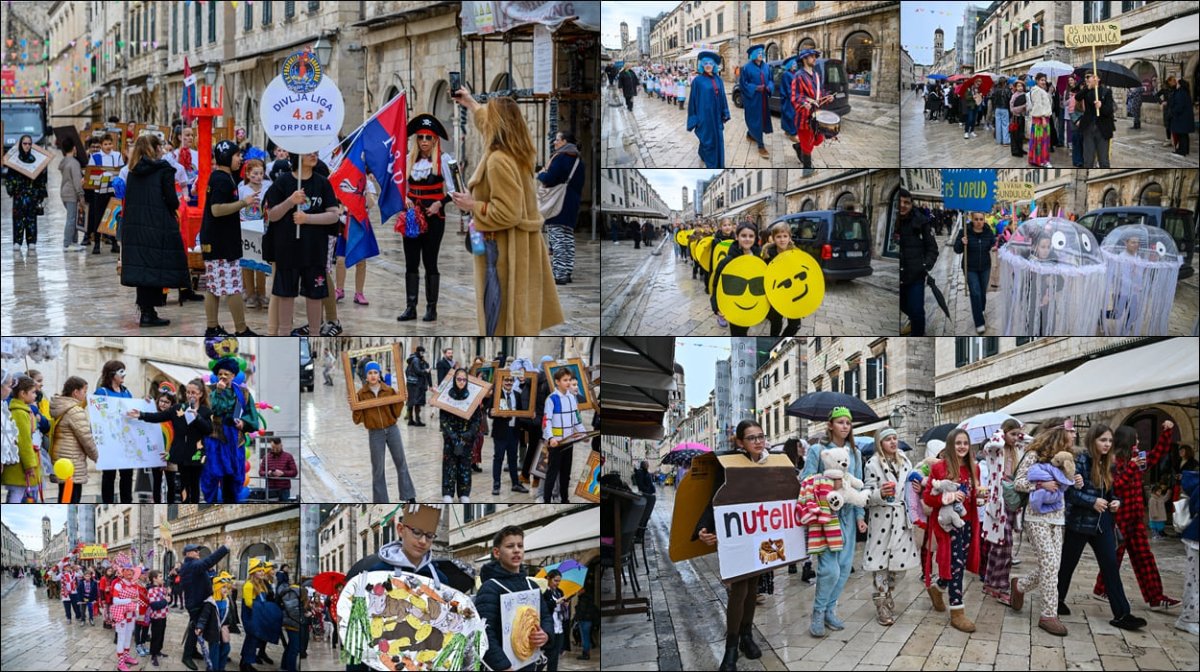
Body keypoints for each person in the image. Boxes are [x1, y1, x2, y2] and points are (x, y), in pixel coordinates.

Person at [449, 91, 564, 335]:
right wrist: (470, 103)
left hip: (502, 250)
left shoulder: (498, 160)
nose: (485, 123)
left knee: (499, 315)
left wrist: (472, 205)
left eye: (488, 118)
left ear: (495, 125)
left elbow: (508, 213)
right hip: (523, 246)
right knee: (518, 312)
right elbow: (487, 122)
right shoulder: (518, 151)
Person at [1055, 423, 1149, 631]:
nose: (1107, 444)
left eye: (1109, 441)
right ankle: (1056, 601)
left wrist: (1116, 502)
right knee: (1067, 565)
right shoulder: (1080, 461)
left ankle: (1122, 614)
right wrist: (1092, 502)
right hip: (1079, 524)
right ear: (1093, 440)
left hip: (1103, 524)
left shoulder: (1110, 464)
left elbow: (1112, 492)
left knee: (1110, 567)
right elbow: (1069, 493)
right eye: (1102, 440)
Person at [798, 408, 867, 637]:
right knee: (830, 570)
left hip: (847, 516)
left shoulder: (855, 454)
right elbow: (806, 480)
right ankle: (817, 613)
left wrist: (860, 517)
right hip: (825, 518)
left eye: (848, 422)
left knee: (845, 568)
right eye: (840, 422)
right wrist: (827, 482)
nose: (845, 426)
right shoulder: (818, 451)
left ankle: (830, 610)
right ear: (830, 425)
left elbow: (859, 485)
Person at [1099, 421, 1181, 609]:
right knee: (1114, 556)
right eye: (1135, 438)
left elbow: (1157, 454)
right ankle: (1102, 588)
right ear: (1127, 440)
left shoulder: (1138, 458)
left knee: (1145, 557)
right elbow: (1115, 486)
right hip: (1119, 518)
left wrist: (1167, 432)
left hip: (1136, 518)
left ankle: (1156, 597)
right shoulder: (1113, 461)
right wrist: (1132, 468)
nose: (1138, 441)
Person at [264, 151, 342, 336]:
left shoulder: (322, 182)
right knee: (285, 294)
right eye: (309, 153)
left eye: (315, 152)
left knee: (315, 295)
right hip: (287, 250)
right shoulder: (282, 182)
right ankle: (283, 334)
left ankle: (315, 332)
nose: (314, 156)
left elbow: (333, 215)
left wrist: (307, 218)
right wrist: (290, 201)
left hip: (314, 250)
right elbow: (272, 214)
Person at [1010, 419, 1076, 635]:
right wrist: (1040, 484)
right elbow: (1018, 482)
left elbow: (1067, 486)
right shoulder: (1033, 455)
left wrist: (1077, 481)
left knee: (1052, 566)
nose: (1074, 434)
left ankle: (1019, 586)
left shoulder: (1066, 458)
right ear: (1059, 433)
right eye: (1071, 430)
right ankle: (1048, 615)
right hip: (1036, 517)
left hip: (1058, 519)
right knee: (1049, 563)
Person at [119, 134, 190, 328]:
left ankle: (147, 312)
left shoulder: (133, 171)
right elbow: (171, 198)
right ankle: (149, 313)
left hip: (136, 226)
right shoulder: (163, 169)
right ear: (156, 148)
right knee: (156, 267)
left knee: (143, 270)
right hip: (158, 224)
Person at [921, 428, 983, 633]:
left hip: (967, 523)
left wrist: (981, 498)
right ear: (950, 445)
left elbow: (974, 496)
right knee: (955, 564)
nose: (962, 446)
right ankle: (957, 611)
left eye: (965, 443)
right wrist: (946, 498)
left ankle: (938, 589)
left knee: (959, 563)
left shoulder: (975, 468)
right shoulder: (939, 468)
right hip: (947, 524)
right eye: (958, 443)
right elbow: (929, 498)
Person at [398, 114, 454, 322]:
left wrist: (440, 202)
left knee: (431, 262)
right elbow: (399, 186)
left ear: (435, 140)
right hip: (412, 216)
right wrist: (405, 198)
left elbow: (456, 188)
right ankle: (410, 307)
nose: (424, 141)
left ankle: (432, 308)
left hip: (434, 217)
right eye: (420, 137)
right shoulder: (407, 160)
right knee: (410, 262)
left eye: (428, 138)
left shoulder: (445, 161)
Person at [476, 525, 553, 672]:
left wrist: (546, 635)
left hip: (530, 663)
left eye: (520, 545)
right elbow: (484, 633)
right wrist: (502, 666)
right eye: (510, 546)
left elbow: (546, 617)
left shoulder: (533, 586)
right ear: (497, 552)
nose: (517, 550)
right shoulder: (490, 588)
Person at [862, 428, 918, 626]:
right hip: (882, 521)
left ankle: (887, 592)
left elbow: (911, 487)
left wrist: (918, 487)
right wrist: (879, 493)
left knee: (900, 568)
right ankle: (881, 603)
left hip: (902, 520)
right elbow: (866, 494)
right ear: (880, 443)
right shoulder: (872, 464)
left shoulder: (905, 462)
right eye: (888, 439)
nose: (893, 442)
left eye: (895, 438)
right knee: (880, 565)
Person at [200, 140, 256, 337]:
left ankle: (212, 327)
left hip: (217, 240)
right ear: (226, 157)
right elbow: (216, 210)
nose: (240, 158)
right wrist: (243, 203)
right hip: (221, 242)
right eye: (236, 155)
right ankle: (241, 329)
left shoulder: (223, 177)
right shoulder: (221, 179)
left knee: (213, 287)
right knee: (233, 287)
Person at [352, 361, 417, 503]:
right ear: (366, 376)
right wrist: (354, 406)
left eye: (375, 372)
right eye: (370, 373)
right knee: (378, 468)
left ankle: (409, 496)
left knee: (401, 462)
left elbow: (396, 413)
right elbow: (357, 420)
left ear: (379, 374)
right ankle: (381, 501)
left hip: (392, 429)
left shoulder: (388, 390)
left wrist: (401, 399)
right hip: (375, 433)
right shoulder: (361, 394)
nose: (373, 375)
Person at [978, 419, 1022, 606]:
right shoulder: (996, 448)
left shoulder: (1017, 450)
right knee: (1003, 546)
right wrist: (1001, 434)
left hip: (1011, 500)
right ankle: (1000, 586)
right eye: (1013, 434)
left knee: (1001, 546)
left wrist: (1019, 435)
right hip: (998, 502)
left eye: (1017, 434)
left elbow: (1029, 441)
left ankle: (991, 583)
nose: (1016, 437)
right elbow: (991, 445)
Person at [538, 131, 585, 285]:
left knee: (557, 239)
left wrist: (540, 174)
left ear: (565, 141)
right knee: (567, 239)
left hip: (557, 203)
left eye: (557, 140)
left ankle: (559, 274)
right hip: (572, 203)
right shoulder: (579, 161)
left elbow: (550, 179)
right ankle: (567, 272)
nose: (554, 143)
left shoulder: (561, 157)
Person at [47, 376, 98, 503]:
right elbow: (86, 438)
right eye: (84, 391)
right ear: (76, 392)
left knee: (64, 496)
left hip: (61, 461)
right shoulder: (75, 411)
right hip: (72, 462)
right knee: (72, 499)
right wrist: (97, 456)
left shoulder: (60, 406)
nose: (85, 394)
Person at [436, 368, 483, 503]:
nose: (461, 382)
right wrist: (453, 436)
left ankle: (464, 493)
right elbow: (443, 420)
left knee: (465, 466)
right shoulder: (447, 396)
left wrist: (467, 435)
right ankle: (448, 493)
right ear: (454, 380)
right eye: (459, 379)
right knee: (449, 466)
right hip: (451, 438)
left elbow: (477, 420)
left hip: (466, 439)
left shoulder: (472, 397)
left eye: (464, 379)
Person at [92, 361, 136, 502]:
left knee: (127, 476)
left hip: (126, 440)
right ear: (112, 374)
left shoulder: (127, 392)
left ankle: (126, 501)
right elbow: (97, 415)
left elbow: (133, 410)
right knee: (109, 475)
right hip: (110, 441)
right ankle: (108, 502)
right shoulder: (101, 392)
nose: (125, 375)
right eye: (121, 371)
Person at [543, 367, 587, 504]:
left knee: (566, 473)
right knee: (552, 473)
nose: (568, 383)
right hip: (556, 442)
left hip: (569, 441)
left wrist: (583, 433)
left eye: (569, 380)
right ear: (557, 382)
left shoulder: (572, 398)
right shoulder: (552, 399)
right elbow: (546, 421)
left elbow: (577, 419)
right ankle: (547, 499)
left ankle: (565, 498)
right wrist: (551, 438)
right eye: (565, 380)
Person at [709, 222, 761, 335]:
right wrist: (717, 307)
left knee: (745, 330)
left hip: (753, 301)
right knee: (738, 333)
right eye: (743, 236)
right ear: (737, 237)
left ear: (755, 238)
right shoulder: (727, 261)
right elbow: (716, 285)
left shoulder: (761, 259)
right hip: (734, 303)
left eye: (751, 236)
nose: (747, 239)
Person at [897, 189, 937, 336]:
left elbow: (932, 248)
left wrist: (925, 265)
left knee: (917, 311)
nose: (903, 205)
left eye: (906, 202)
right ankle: (912, 321)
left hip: (915, 276)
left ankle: (918, 334)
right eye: (900, 202)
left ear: (911, 204)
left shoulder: (922, 221)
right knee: (904, 306)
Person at [953, 211, 996, 334]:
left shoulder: (988, 231)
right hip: (970, 268)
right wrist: (962, 242)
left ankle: (981, 309)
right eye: (976, 219)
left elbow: (993, 243)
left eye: (981, 219)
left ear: (984, 220)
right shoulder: (964, 232)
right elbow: (956, 249)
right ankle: (979, 322)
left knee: (982, 292)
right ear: (972, 219)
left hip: (985, 267)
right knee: (975, 293)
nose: (979, 222)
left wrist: (994, 246)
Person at [238, 158, 273, 310]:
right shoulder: (242, 189)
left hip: (262, 227)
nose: (258, 176)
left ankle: (262, 293)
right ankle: (250, 293)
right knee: (247, 263)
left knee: (261, 263)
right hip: (246, 227)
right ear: (247, 174)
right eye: (255, 173)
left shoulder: (268, 187)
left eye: (261, 173)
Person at [790, 48, 833, 168]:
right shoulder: (798, 76)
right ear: (804, 59)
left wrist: (827, 97)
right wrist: (804, 103)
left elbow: (820, 92)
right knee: (808, 145)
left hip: (817, 116)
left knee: (818, 140)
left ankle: (799, 146)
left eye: (815, 56)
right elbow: (794, 96)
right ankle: (807, 168)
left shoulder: (816, 75)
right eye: (812, 56)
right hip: (804, 118)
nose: (814, 58)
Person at [687, 51, 731, 168]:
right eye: (705, 63)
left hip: (716, 117)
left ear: (714, 65)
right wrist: (694, 118)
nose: (708, 65)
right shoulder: (697, 81)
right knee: (708, 140)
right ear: (702, 65)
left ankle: (714, 160)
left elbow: (723, 97)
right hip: (704, 117)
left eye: (710, 63)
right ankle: (712, 165)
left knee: (718, 139)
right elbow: (692, 101)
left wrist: (725, 112)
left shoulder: (719, 80)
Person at [489, 373, 531, 496]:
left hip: (514, 431)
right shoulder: (497, 395)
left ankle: (515, 484)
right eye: (506, 380)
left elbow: (521, 413)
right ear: (501, 382)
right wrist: (493, 413)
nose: (508, 382)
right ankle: (496, 485)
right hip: (500, 432)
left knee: (513, 458)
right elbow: (490, 412)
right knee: (498, 458)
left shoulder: (517, 395)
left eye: (511, 380)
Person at [86, 133, 125, 253]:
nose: (108, 146)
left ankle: (114, 243)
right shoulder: (96, 156)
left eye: (110, 144)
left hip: (113, 191)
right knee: (98, 216)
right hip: (99, 191)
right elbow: (91, 171)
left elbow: (121, 170)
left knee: (114, 216)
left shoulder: (117, 155)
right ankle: (97, 243)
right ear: (102, 145)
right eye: (105, 144)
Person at [739, 45, 773, 158]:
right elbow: (743, 84)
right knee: (755, 120)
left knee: (762, 119)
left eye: (762, 52)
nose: (761, 54)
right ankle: (761, 145)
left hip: (763, 99)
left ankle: (750, 134)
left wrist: (769, 87)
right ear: (753, 54)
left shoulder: (767, 67)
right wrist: (755, 88)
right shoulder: (746, 68)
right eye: (758, 52)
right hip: (752, 99)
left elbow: (771, 80)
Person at [1075, 70, 1115, 168]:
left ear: (1097, 78)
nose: (1087, 79)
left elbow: (1109, 111)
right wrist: (1087, 88)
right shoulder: (1086, 90)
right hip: (1088, 128)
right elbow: (1078, 97)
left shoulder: (1106, 91)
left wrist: (1101, 106)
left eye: (1089, 76)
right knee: (1088, 160)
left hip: (1103, 129)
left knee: (1103, 161)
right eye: (1086, 77)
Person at [58, 136, 87, 251]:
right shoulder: (74, 163)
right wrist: (81, 195)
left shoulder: (64, 161)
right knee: (71, 218)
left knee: (73, 218)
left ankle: (74, 242)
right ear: (74, 148)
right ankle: (67, 243)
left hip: (64, 192)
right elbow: (76, 181)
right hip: (71, 194)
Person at [543, 569, 569, 672]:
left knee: (556, 654)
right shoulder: (544, 591)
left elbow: (562, 608)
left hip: (559, 627)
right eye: (555, 580)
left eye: (559, 581)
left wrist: (565, 605)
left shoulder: (559, 591)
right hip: (549, 627)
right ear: (549, 579)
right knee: (548, 654)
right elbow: (543, 607)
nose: (557, 583)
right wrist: (556, 602)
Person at [1028, 74, 1053, 168]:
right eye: (1042, 80)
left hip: (1042, 118)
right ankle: (1042, 161)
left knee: (1041, 140)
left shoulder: (1040, 90)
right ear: (1037, 80)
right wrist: (1042, 118)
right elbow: (1038, 105)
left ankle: (1037, 159)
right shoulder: (1037, 91)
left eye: (1044, 80)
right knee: (1041, 140)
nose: (1043, 82)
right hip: (1040, 119)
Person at [404, 345, 432, 426]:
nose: (423, 354)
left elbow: (407, 372)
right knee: (416, 402)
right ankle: (416, 421)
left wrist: (430, 384)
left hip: (412, 384)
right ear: (419, 352)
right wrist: (426, 371)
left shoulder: (415, 360)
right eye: (422, 352)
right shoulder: (416, 360)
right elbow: (418, 371)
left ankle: (411, 420)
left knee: (412, 402)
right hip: (416, 385)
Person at [1168, 78, 1194, 156]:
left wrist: (1173, 112)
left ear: (1180, 84)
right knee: (1184, 134)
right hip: (1185, 117)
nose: (1176, 84)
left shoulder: (1180, 93)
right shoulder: (1185, 92)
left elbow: (1179, 106)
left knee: (1181, 134)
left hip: (1181, 117)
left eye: (1177, 83)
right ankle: (1185, 150)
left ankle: (1181, 151)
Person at [1009, 80, 1028, 157]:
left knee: (1021, 134)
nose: (1020, 88)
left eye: (1021, 86)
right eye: (1018, 86)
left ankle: (1020, 149)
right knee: (1015, 134)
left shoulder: (1025, 95)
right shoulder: (1014, 96)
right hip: (1015, 118)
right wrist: (1022, 107)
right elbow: (1012, 108)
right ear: (1016, 87)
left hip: (1022, 117)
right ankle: (1015, 151)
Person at [992, 78, 1011, 145]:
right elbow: (1009, 100)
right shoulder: (1007, 90)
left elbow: (993, 100)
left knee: (998, 124)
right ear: (1005, 83)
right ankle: (1005, 141)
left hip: (997, 109)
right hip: (1005, 108)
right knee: (1005, 125)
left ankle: (998, 140)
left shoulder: (995, 90)